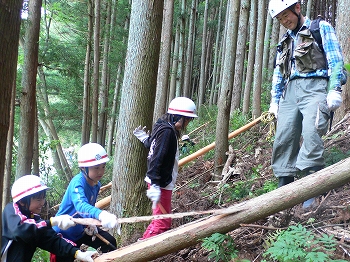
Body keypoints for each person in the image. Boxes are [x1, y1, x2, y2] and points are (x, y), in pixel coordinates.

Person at [268, 0, 347, 208]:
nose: (285, 21)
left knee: (312, 133)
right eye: (280, 19)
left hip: (316, 86)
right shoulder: (285, 41)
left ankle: (310, 192)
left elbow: (335, 60)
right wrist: (274, 102)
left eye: (287, 15)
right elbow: (279, 73)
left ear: (297, 8)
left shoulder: (320, 28)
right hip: (289, 91)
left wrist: (334, 89)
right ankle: (284, 188)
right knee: (283, 137)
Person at [133, 97, 198, 239]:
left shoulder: (163, 127)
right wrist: (155, 184)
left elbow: (153, 145)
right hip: (159, 183)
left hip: (162, 182)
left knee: (162, 221)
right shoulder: (167, 132)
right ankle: (141, 250)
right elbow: (156, 158)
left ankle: (141, 246)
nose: (187, 123)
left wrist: (145, 139)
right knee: (162, 223)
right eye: (186, 119)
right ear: (176, 116)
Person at [1, 175, 97, 262]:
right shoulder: (11, 211)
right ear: (22, 201)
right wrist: (52, 221)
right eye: (38, 199)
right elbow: (21, 229)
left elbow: (52, 240)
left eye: (43, 198)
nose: (42, 203)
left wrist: (78, 253)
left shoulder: (35, 220)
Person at [52, 143, 118, 262]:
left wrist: (90, 224)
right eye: (96, 168)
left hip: (81, 230)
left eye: (103, 166)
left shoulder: (96, 184)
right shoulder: (77, 183)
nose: (100, 171)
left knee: (110, 243)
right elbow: (81, 206)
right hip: (63, 234)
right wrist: (101, 214)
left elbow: (89, 207)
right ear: (83, 168)